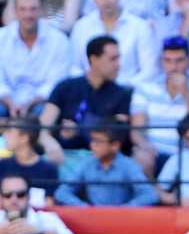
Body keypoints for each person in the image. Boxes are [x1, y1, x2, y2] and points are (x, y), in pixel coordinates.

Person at [40, 34, 135, 176]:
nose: (118, 65)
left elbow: (116, 135)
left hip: (99, 161)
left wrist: (79, 130)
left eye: (118, 58)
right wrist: (49, 144)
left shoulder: (122, 94)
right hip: (62, 156)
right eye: (113, 59)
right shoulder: (65, 87)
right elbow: (43, 126)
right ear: (94, 59)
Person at [0, 0, 72, 118]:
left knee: (43, 111)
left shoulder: (59, 40)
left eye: (33, 9)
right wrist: (11, 104)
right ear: (15, 11)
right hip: (7, 100)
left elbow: (54, 83)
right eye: (23, 9)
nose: (28, 15)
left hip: (41, 101)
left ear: (42, 10)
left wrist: (30, 104)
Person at [70, 0, 157, 84]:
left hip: (129, 90)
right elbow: (74, 67)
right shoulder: (81, 27)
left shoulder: (139, 26)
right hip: (89, 89)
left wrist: (122, 89)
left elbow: (149, 70)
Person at [132, 36, 189, 170]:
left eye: (179, 60)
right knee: (141, 156)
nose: (173, 67)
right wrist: (145, 146)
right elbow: (137, 129)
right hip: (153, 151)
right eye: (168, 61)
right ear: (162, 62)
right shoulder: (146, 88)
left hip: (186, 153)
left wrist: (187, 94)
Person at [54, 121, 156, 206]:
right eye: (92, 140)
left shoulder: (128, 165)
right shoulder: (87, 163)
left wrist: (125, 210)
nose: (92, 145)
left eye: (98, 141)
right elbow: (62, 192)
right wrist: (83, 207)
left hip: (121, 220)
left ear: (115, 146)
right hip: (92, 217)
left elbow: (149, 195)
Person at [0, 116, 59, 194]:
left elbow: (49, 200)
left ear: (24, 138)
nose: (4, 135)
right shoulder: (2, 165)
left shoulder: (48, 169)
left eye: (9, 131)